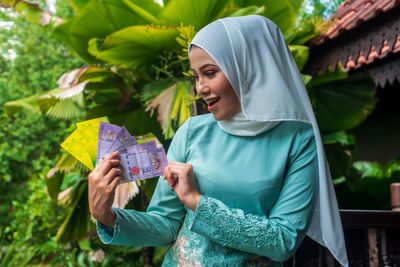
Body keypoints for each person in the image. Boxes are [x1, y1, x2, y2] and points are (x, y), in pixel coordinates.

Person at [88, 15, 348, 266]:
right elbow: (165, 226)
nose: (200, 87)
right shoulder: (191, 132)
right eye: (196, 76)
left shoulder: (297, 140)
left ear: (246, 67)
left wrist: (196, 202)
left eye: (210, 72)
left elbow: (283, 240)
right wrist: (108, 216)